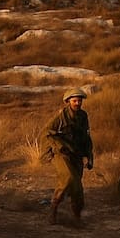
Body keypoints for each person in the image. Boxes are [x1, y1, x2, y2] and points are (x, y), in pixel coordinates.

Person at [40, 87, 93, 226]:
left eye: (79, 100)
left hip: (76, 154)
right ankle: (53, 209)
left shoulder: (83, 116)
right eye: (74, 101)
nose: (77, 103)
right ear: (68, 102)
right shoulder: (61, 117)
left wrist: (90, 156)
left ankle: (76, 215)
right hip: (61, 154)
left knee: (77, 186)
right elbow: (46, 132)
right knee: (68, 179)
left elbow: (87, 137)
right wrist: (59, 146)